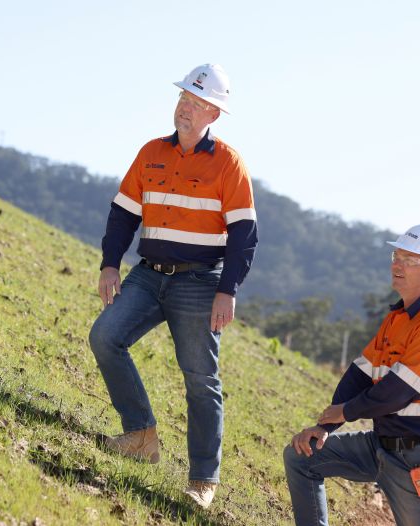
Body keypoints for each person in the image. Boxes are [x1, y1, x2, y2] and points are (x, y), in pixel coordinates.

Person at [89, 63, 257, 509]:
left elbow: (244, 234)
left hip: (201, 284)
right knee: (105, 337)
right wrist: (111, 265)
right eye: (184, 98)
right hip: (148, 274)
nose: (187, 108)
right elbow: (123, 214)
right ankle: (141, 434)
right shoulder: (150, 152)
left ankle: (203, 481)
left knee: (201, 380)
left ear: (213, 116)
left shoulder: (229, 164)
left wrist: (229, 290)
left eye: (198, 103)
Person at [283, 224, 420, 526]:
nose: (397, 265)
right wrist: (325, 427)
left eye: (410, 260)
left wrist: (344, 411)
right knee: (302, 456)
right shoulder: (397, 318)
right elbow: (359, 375)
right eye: (396, 255)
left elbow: (396, 393)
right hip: (382, 446)